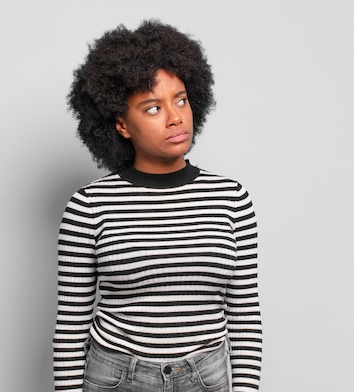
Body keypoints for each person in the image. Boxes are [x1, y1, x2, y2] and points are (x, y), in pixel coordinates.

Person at [53, 20, 262, 392]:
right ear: (121, 124)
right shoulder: (88, 206)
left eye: (180, 99)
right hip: (116, 380)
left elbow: (245, 317)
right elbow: (70, 327)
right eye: (152, 108)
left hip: (206, 379)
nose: (175, 117)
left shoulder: (231, 199)